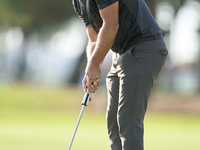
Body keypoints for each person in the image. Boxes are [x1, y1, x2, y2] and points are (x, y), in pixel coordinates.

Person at [73, 0, 168, 149]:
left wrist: (93, 65)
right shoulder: (78, 2)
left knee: (127, 120)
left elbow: (111, 25)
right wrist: (90, 69)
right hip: (122, 52)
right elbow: (93, 38)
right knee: (113, 122)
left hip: (144, 45)